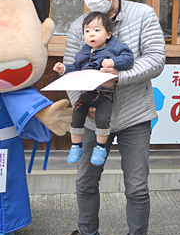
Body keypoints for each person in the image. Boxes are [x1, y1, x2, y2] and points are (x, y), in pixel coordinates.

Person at [57, 0, 166, 235]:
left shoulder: (143, 14)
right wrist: (84, 105)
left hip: (135, 114)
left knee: (137, 186)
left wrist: (119, 77)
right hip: (93, 117)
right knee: (85, 181)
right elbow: (71, 69)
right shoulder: (78, 25)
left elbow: (156, 60)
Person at [53, 11, 134, 166]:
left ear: (108, 34)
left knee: (103, 120)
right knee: (76, 116)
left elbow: (129, 59)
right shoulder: (84, 51)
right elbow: (75, 68)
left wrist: (113, 62)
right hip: (86, 94)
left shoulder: (116, 47)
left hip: (105, 95)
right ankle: (76, 146)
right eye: (87, 31)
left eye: (97, 30)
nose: (92, 34)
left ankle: (100, 148)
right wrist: (63, 69)